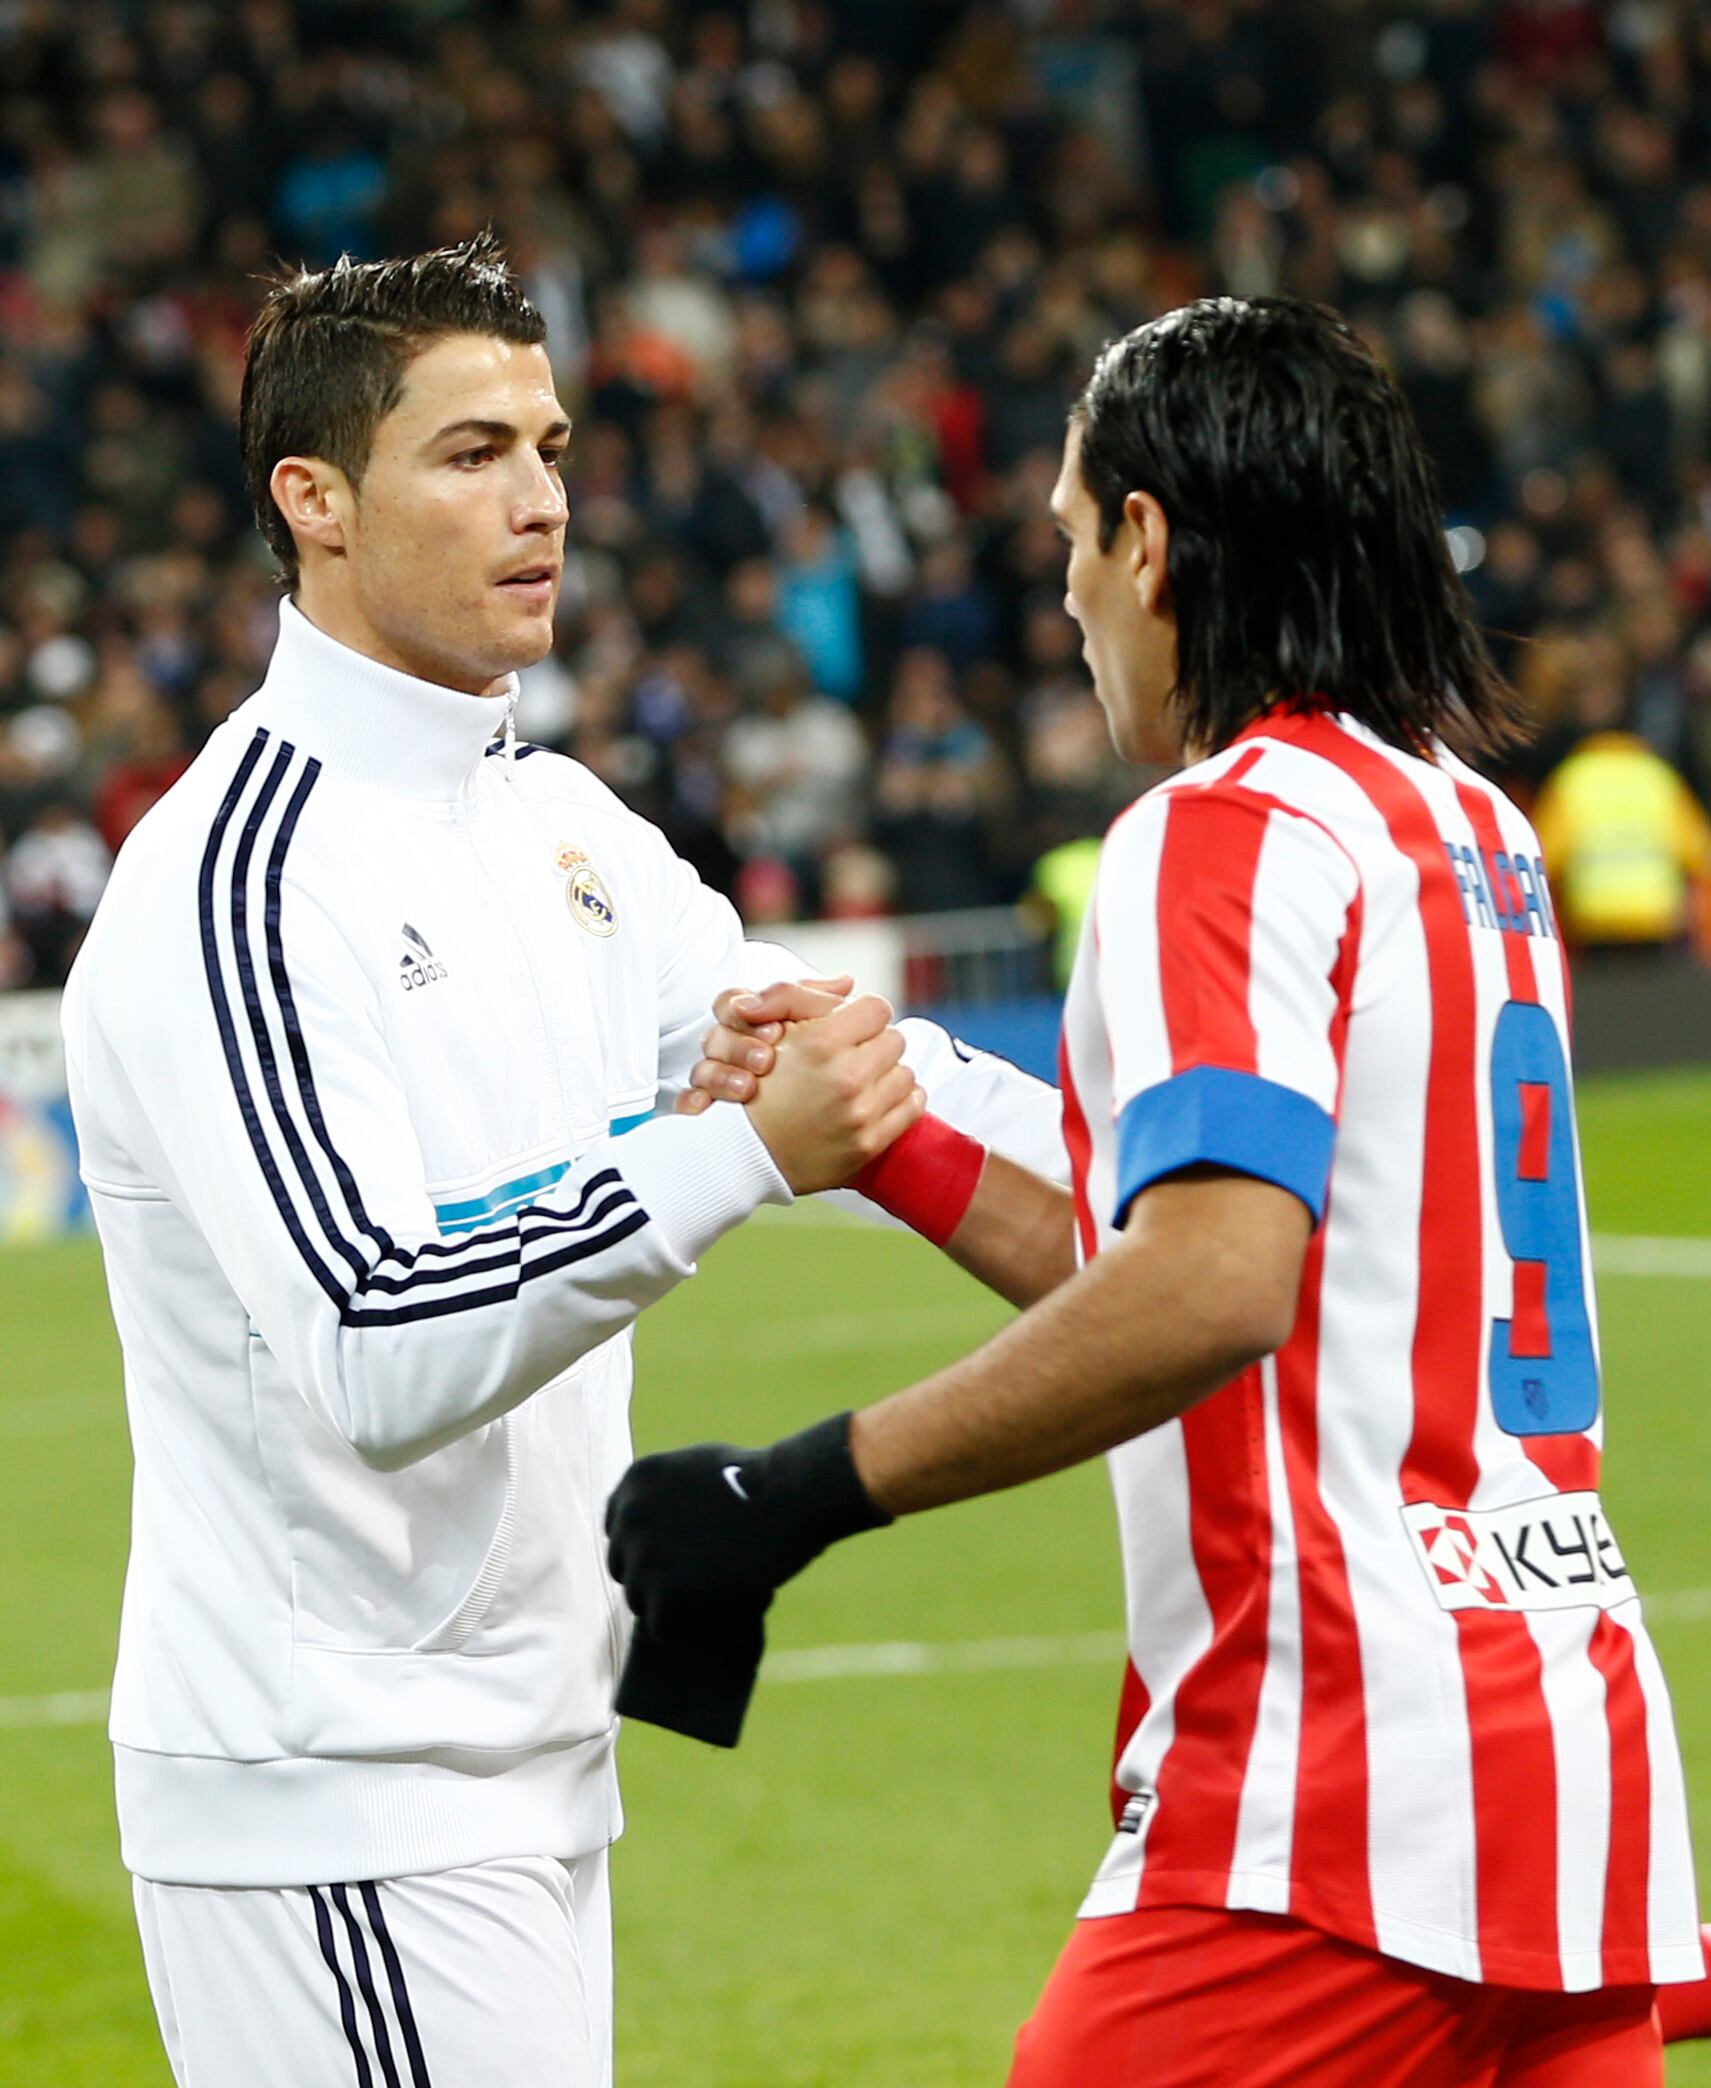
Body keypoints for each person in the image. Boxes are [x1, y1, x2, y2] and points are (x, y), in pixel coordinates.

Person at [606, 297, 1704, 2085]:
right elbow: (1227, 1266)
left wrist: (797, 1492)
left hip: (1328, 1789)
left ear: (1146, 536)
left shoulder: (1226, 827)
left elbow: (1208, 1289)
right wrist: (897, 1133)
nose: (1063, 605)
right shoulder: (1471, 831)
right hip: (1560, 1764)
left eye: (1063, 545)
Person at [61, 235, 1062, 2088]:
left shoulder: (559, 822)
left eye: (552, 446)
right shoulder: (238, 878)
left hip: (523, 1765)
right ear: (316, 502)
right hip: (339, 1797)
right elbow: (372, 1333)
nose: (540, 501)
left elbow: (860, 1058)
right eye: (469, 454)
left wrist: (1172, 1207)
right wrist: (731, 1159)